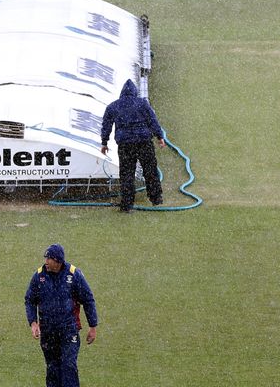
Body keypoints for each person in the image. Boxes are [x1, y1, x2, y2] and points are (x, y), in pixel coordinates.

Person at [25, 244, 98, 387]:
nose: (46, 261)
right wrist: (33, 322)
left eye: (49, 258)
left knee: (68, 367)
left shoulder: (74, 275)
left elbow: (88, 299)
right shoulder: (39, 276)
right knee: (52, 369)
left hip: (69, 330)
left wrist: (93, 326)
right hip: (48, 331)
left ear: (57, 261)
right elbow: (30, 300)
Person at [100, 79, 166, 212]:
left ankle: (127, 204)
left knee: (127, 174)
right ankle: (156, 198)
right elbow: (153, 120)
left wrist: (104, 142)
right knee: (150, 171)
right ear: (135, 92)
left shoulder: (113, 106)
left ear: (121, 93)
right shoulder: (143, 104)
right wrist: (160, 137)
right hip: (144, 142)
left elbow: (106, 125)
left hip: (125, 144)